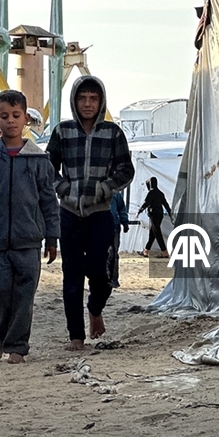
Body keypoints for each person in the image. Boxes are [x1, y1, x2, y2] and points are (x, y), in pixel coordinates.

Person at [0, 90, 59, 364]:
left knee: (24, 296)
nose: (11, 121)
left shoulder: (39, 161)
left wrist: (52, 236)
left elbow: (48, 202)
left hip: (29, 243)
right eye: (4, 116)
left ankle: (16, 346)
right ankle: (0, 333)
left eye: (16, 115)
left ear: (26, 118)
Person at [46, 76, 134, 350]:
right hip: (69, 213)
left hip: (100, 212)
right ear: (74, 100)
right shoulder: (62, 131)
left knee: (102, 272)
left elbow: (126, 170)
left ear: (101, 102)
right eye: (82, 98)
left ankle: (95, 309)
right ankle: (76, 336)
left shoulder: (113, 133)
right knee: (71, 274)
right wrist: (62, 188)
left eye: (93, 99)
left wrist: (105, 188)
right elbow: (48, 167)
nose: (87, 103)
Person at [137, 177, 173, 257]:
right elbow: (166, 204)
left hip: (153, 215)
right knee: (153, 233)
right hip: (160, 215)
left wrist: (140, 211)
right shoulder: (160, 193)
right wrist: (170, 213)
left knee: (157, 232)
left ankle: (164, 252)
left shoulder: (151, 193)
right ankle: (146, 251)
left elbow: (146, 203)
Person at [107, 190, 130, 289]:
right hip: (106, 225)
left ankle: (113, 279)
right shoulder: (115, 193)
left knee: (113, 253)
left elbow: (121, 208)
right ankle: (110, 279)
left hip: (113, 226)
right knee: (111, 254)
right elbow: (122, 209)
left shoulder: (115, 193)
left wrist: (125, 222)